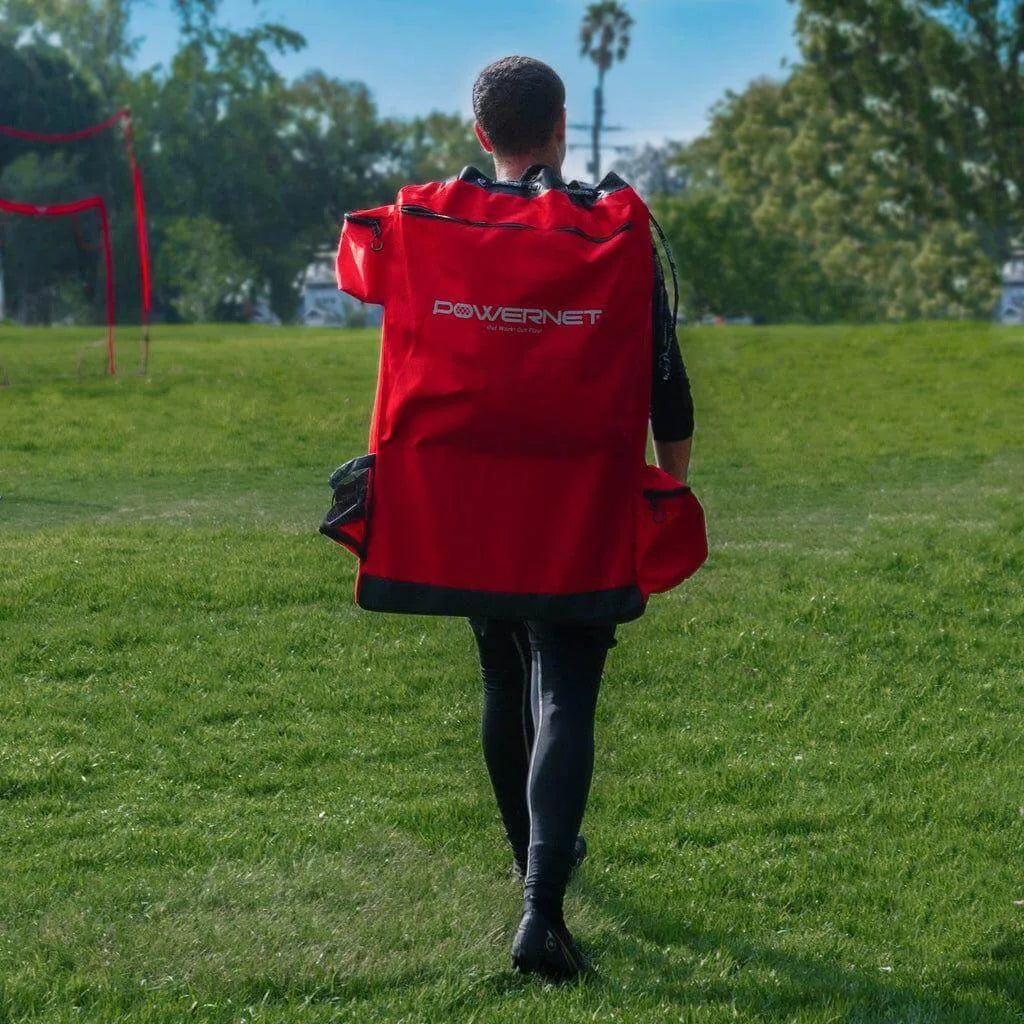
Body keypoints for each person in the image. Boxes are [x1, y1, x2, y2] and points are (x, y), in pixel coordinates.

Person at [464, 56, 695, 980]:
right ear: (562, 126)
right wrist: (668, 490)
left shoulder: (451, 233)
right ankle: (541, 913)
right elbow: (667, 383)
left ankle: (529, 862)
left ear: (482, 135)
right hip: (580, 505)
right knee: (563, 685)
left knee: (501, 672)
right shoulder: (610, 232)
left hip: (474, 503)